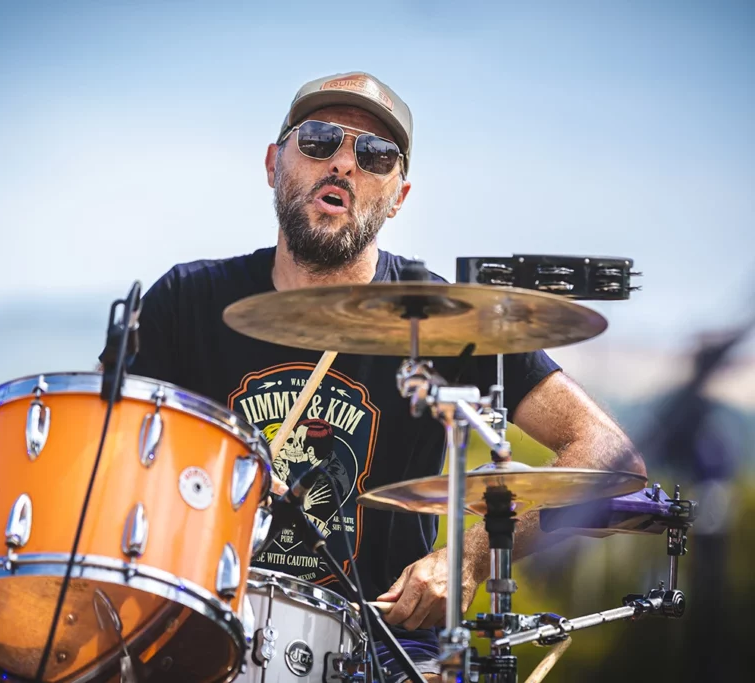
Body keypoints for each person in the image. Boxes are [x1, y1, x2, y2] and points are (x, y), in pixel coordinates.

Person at [119, 72, 646, 681]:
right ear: (273, 163)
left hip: (378, 655)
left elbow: (613, 455)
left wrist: (469, 556)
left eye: (375, 155)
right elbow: (103, 457)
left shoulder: (446, 319)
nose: (344, 162)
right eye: (318, 140)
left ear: (399, 195)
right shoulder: (186, 301)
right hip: (201, 641)